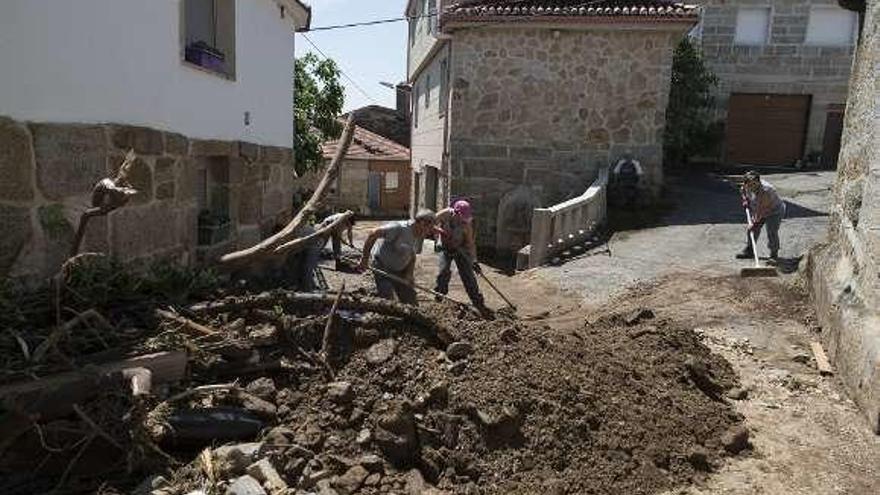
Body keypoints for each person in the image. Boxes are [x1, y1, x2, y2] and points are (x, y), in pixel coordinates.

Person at [357, 209, 436, 305]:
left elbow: (412, 256)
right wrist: (364, 259)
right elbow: (373, 234)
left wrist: (409, 274)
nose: (430, 232)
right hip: (382, 268)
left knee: (411, 303)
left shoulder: (420, 236)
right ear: (422, 223)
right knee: (389, 300)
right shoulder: (399, 228)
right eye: (430, 228)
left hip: (400, 272)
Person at [433, 200, 491, 315]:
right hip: (445, 246)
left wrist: (474, 261)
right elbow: (430, 222)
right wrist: (441, 231)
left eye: (466, 217)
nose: (464, 220)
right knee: (443, 271)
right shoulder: (446, 214)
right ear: (456, 212)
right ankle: (439, 296)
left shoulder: (467, 225)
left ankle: (478, 302)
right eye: (463, 217)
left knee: (468, 275)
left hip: (461, 249)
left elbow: (470, 244)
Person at [737, 171, 786, 261]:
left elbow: (762, 210)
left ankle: (773, 254)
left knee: (771, 232)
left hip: (774, 211)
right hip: (759, 208)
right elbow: (742, 191)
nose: (752, 187)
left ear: (759, 182)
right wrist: (745, 200)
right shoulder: (746, 185)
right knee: (751, 230)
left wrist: (755, 222)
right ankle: (750, 250)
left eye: (754, 184)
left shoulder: (766, 190)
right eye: (749, 184)